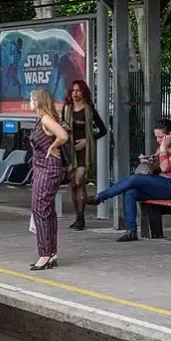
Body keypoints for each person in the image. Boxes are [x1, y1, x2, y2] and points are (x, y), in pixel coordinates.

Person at [88, 118, 171, 242]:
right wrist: (148, 160)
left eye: (160, 137)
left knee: (134, 179)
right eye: (156, 137)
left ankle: (101, 197)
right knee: (130, 190)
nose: (158, 141)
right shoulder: (162, 148)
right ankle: (131, 231)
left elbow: (165, 167)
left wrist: (163, 148)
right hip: (161, 186)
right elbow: (158, 165)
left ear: (170, 135)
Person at [28, 89, 69, 270]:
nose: (29, 102)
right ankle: (51, 253)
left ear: (38, 102)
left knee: (40, 209)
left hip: (48, 167)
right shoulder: (43, 119)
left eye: (31, 99)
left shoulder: (45, 119)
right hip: (43, 167)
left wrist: (53, 146)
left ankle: (44, 254)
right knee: (47, 210)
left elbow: (63, 136)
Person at [61, 80, 107, 230]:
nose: (75, 93)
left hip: (84, 152)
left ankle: (81, 217)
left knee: (80, 181)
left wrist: (88, 140)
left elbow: (103, 130)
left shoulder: (89, 110)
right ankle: (79, 216)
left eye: (78, 90)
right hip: (70, 151)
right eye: (73, 90)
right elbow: (61, 128)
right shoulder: (66, 109)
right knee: (74, 184)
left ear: (84, 93)